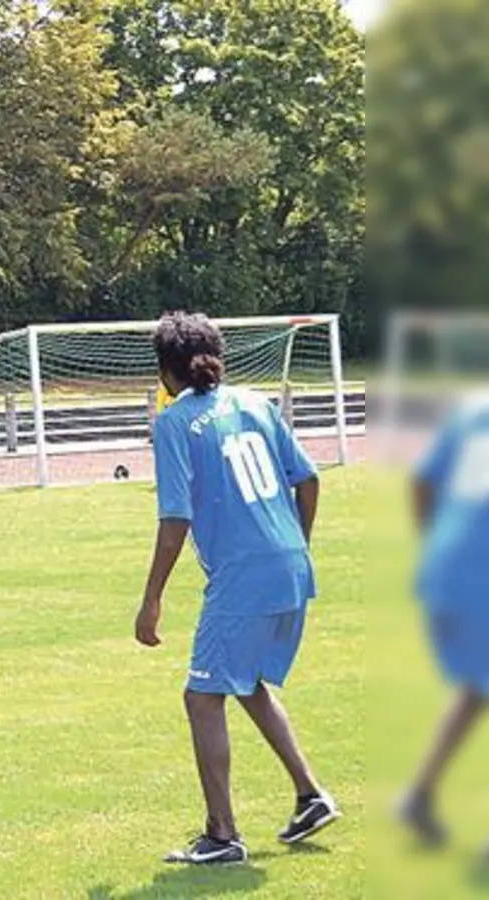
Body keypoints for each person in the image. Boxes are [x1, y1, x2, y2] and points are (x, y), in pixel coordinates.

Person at [135, 311, 339, 866]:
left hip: (244, 574)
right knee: (244, 680)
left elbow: (174, 517)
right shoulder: (255, 402)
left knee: (201, 696)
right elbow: (309, 478)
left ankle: (222, 836)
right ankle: (310, 795)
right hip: (292, 561)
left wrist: (151, 597)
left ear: (164, 371)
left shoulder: (175, 423)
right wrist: (295, 544)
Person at [395, 394, 489, 859]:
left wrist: (435, 544)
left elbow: (422, 482)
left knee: (477, 690)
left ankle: (418, 796)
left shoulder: (473, 411)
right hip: (479, 577)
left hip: (448, 570)